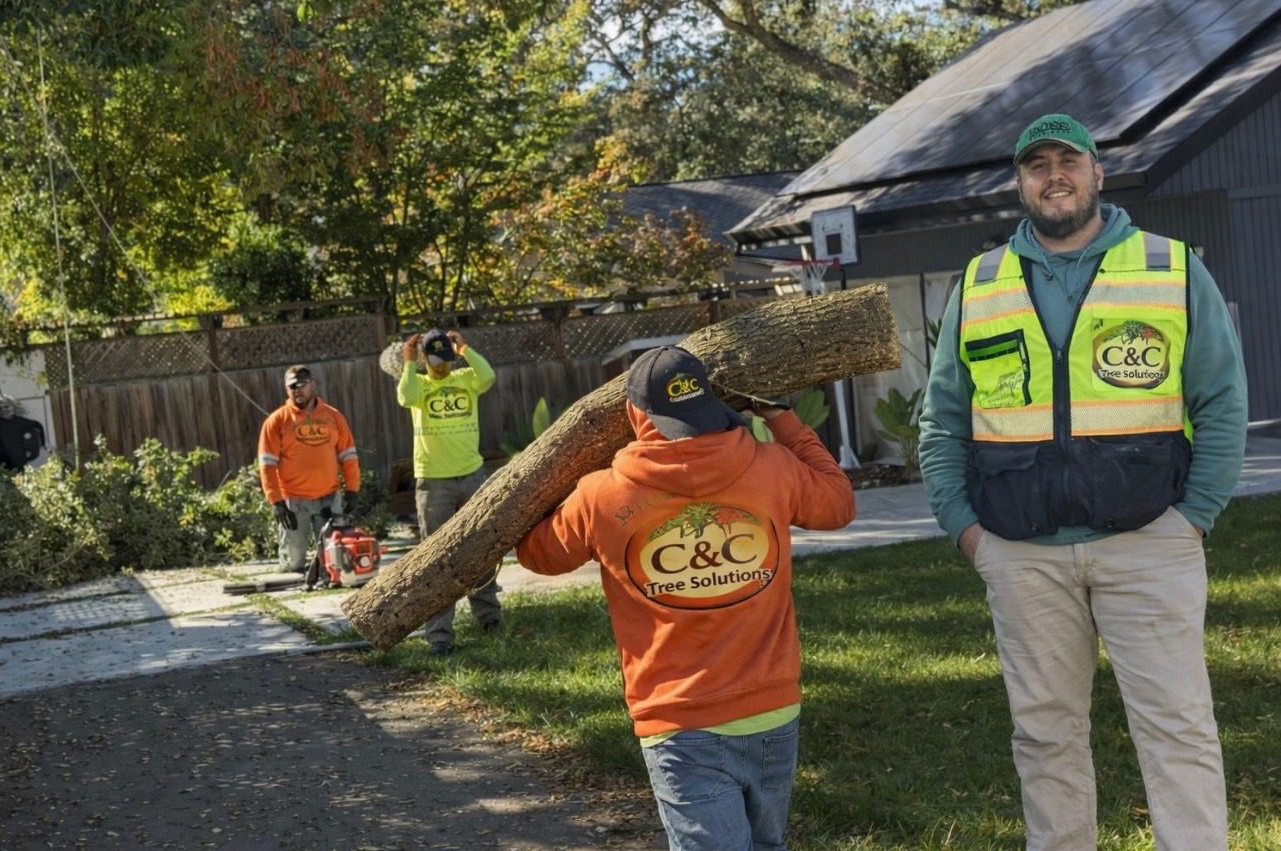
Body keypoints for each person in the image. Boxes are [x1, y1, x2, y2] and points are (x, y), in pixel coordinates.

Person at [918, 113, 1248, 851]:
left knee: (1177, 728)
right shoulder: (980, 282)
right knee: (1044, 735)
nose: (1055, 176)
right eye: (1038, 165)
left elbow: (1223, 399)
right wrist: (967, 530)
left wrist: (1194, 515)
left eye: (1069, 161)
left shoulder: (1168, 267)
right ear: (1020, 183)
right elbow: (942, 419)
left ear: (1098, 173)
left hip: (1150, 541)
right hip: (1021, 552)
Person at [515, 345, 856, 851]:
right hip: (772, 708)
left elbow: (538, 555)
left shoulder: (600, 495)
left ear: (634, 414)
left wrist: (561, 478)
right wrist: (783, 419)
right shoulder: (773, 467)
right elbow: (839, 504)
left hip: (677, 720)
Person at [397, 328, 500, 656]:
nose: (442, 366)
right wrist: (408, 362)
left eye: (447, 359)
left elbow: (488, 375)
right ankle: (440, 636)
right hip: (434, 483)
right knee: (437, 561)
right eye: (436, 360)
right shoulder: (419, 385)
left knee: (480, 549)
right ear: (424, 359)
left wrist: (465, 349)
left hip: (471, 475)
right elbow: (405, 397)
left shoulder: (466, 379)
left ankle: (490, 619)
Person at [258, 365, 362, 575]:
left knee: (333, 562)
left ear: (312, 385)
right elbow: (267, 464)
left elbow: (348, 455)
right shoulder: (276, 421)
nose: (297, 390)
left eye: (302, 385)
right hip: (294, 503)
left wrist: (352, 490)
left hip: (328, 499)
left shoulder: (333, 416)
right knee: (293, 564)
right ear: (286, 389)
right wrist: (276, 502)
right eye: (292, 387)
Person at [0, 394, 45, 471]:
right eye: (0, 408)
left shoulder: (21, 422)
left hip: (20, 461)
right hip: (1, 464)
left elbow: (38, 426)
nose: (3, 410)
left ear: (13, 407)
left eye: (6, 407)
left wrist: (43, 445)